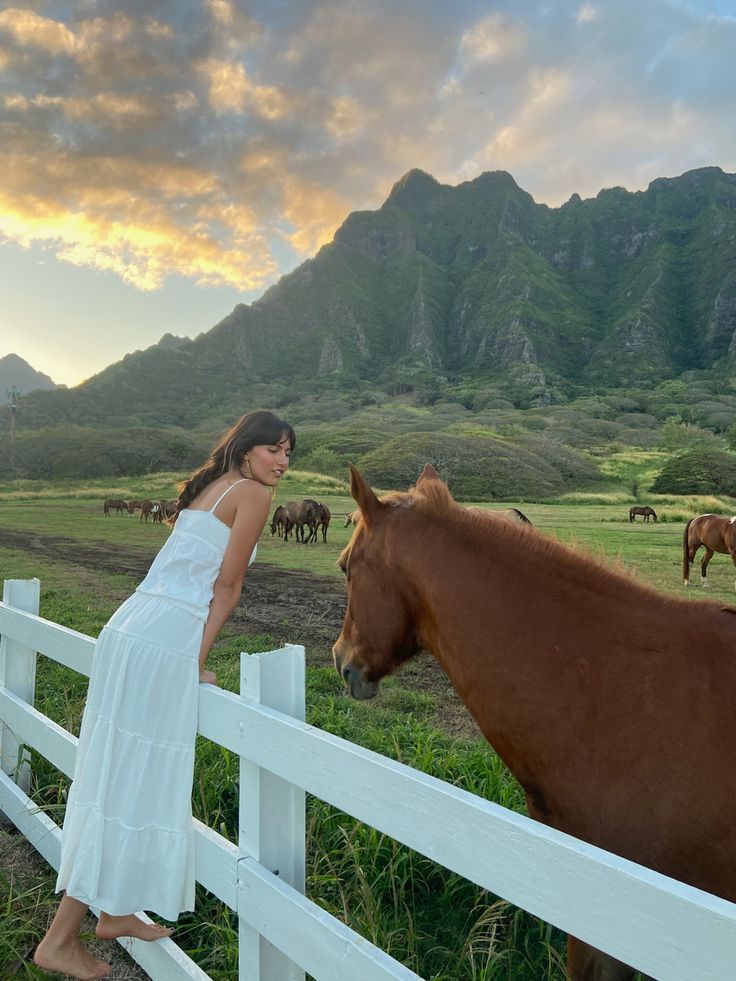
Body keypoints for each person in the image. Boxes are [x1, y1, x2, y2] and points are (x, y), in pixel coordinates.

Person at [34, 410, 295, 980]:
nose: (281, 461)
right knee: (132, 781)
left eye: (288, 454)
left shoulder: (209, 488)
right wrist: (194, 659)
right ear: (248, 450)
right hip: (165, 639)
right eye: (273, 448)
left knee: (114, 775)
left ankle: (116, 910)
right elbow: (227, 586)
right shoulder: (251, 495)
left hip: (130, 628)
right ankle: (60, 940)